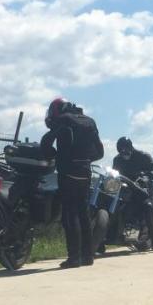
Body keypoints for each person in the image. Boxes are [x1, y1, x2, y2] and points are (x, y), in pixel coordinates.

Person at [41, 96, 103, 268]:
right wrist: (85, 160)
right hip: (85, 173)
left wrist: (53, 156)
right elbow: (100, 152)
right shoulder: (89, 121)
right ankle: (88, 256)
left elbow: (46, 141)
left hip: (67, 173)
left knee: (70, 215)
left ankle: (74, 257)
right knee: (83, 214)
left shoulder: (63, 120)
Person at [112, 136, 153, 253]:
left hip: (143, 191)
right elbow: (114, 174)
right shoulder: (117, 160)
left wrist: (147, 175)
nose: (124, 152)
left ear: (131, 147)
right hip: (125, 192)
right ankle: (100, 240)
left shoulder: (143, 156)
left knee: (148, 207)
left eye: (126, 149)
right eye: (121, 150)